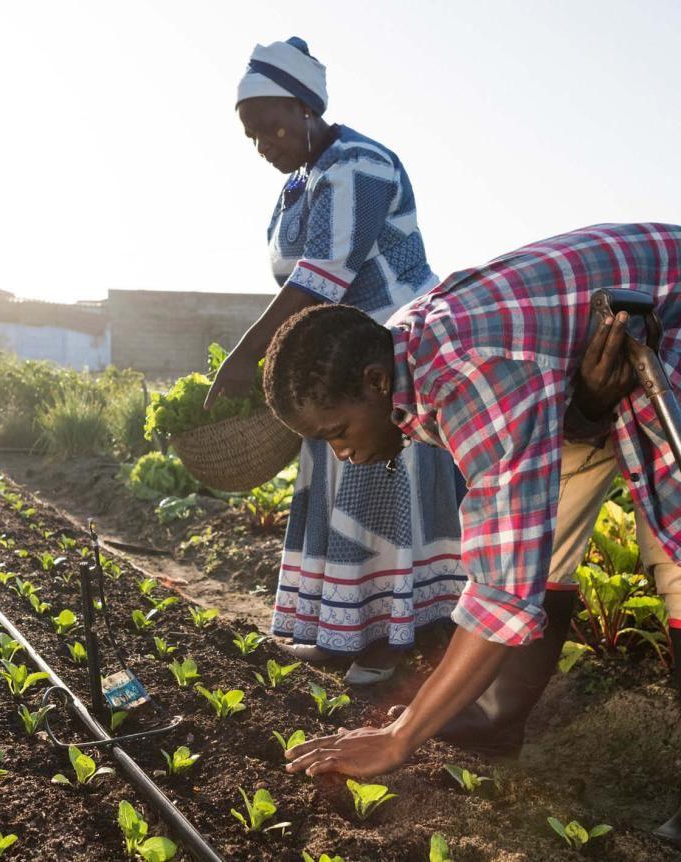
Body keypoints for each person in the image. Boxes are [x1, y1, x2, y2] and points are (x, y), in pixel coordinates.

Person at [261, 221, 681, 846]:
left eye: (336, 433)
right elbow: (519, 538)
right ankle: (492, 720)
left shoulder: (474, 377)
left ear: (376, 384)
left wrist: (401, 737)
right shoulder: (396, 353)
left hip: (665, 332)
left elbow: (501, 590)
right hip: (580, 376)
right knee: (550, 528)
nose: (342, 453)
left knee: (674, 558)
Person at [206, 36, 467, 685]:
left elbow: (320, 277)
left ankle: (391, 641)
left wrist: (244, 360)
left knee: (379, 487)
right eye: (252, 135)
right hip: (333, 360)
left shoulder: (358, 164)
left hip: (391, 353)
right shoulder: (301, 183)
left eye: (272, 124)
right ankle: (342, 633)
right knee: (341, 489)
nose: (266, 141)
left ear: (305, 108)